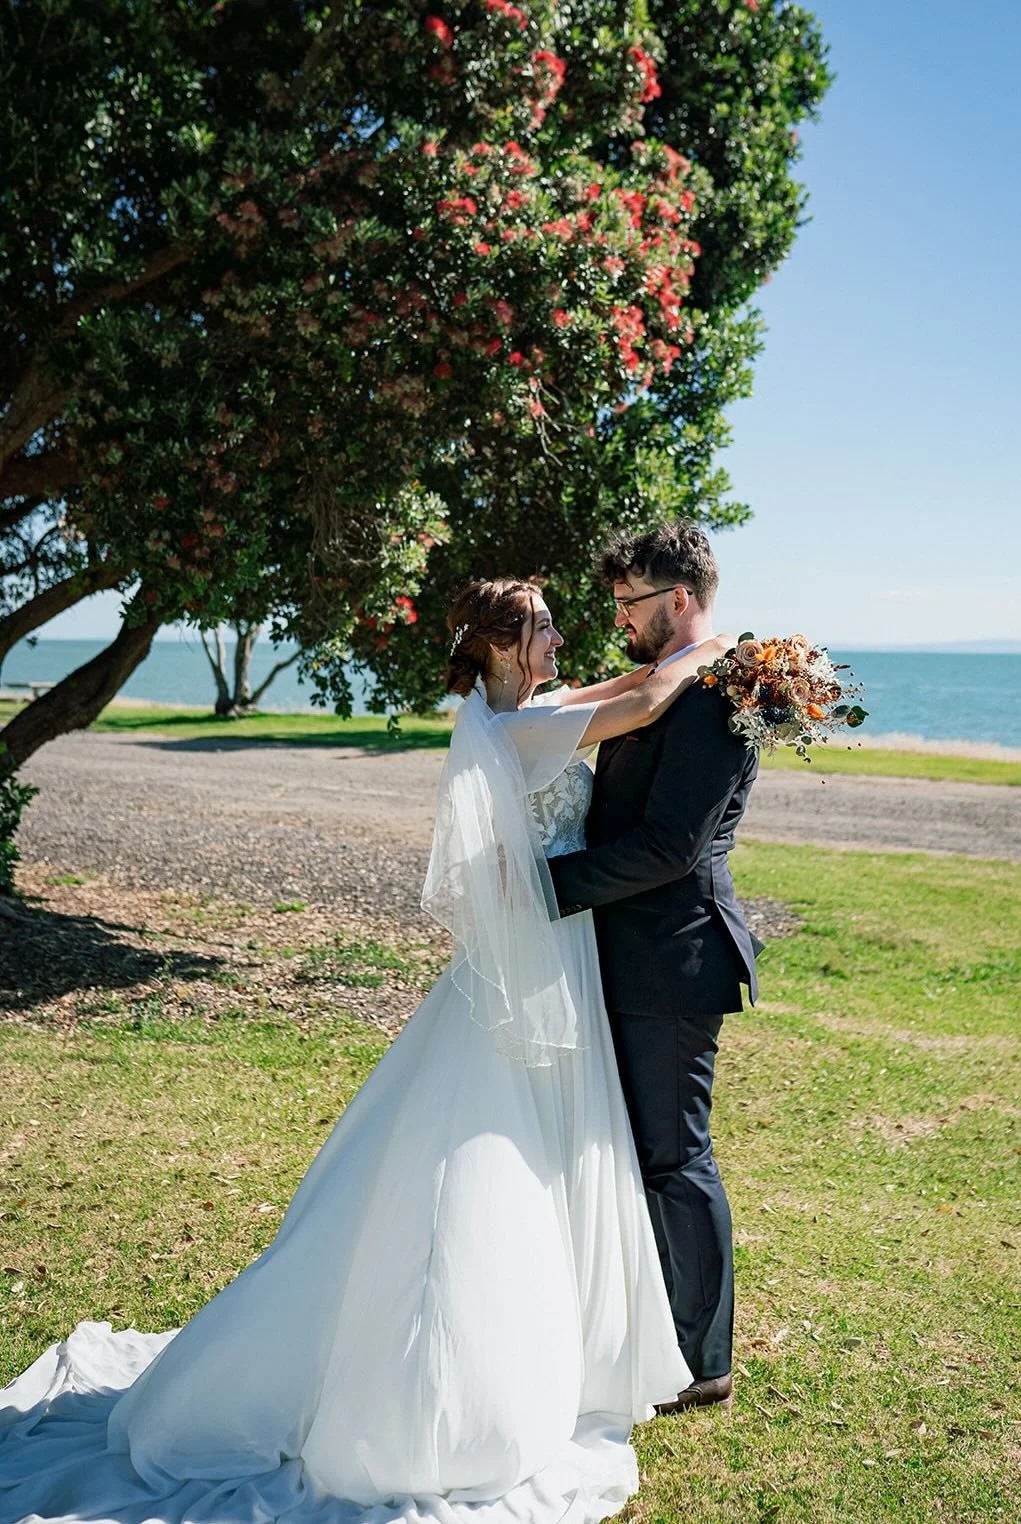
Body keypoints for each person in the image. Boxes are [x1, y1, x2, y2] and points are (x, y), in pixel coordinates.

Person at [0, 576, 731, 1524]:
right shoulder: (510, 733)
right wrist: (715, 655)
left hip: (558, 958)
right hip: (542, 959)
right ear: (507, 646)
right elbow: (635, 700)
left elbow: (606, 695)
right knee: (493, 1148)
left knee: (556, 1141)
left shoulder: (532, 710)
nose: (564, 640)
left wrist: (692, 659)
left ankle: (578, 1341)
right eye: (546, 628)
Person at [547, 522, 761, 1415]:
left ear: (678, 599)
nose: (620, 620)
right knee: (639, 1153)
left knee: (676, 1158)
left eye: (630, 603)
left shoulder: (713, 696)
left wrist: (540, 885)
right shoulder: (666, 683)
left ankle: (702, 1361)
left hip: (674, 956)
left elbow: (672, 846)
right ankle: (650, 1330)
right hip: (629, 951)